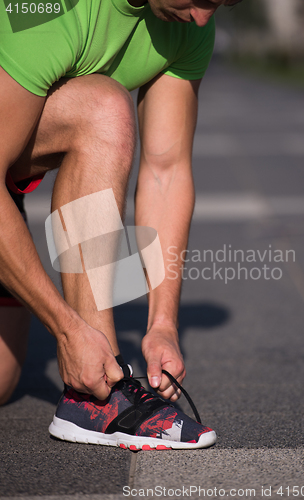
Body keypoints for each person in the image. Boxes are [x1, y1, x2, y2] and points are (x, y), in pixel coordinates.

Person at [0, 0, 241, 449]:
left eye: (223, 3)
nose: (204, 17)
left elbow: (165, 172)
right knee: (104, 110)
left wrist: (163, 322)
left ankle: (91, 396)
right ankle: (98, 400)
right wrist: (66, 327)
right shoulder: (54, 8)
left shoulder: (189, 19)